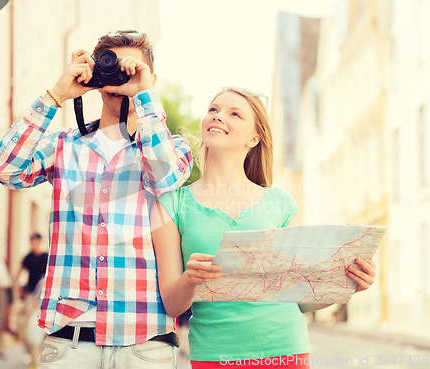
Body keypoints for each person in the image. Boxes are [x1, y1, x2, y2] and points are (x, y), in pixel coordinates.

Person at [0, 30, 192, 368]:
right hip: (69, 344)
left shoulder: (171, 148)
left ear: (151, 79)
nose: (122, 80)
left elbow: (166, 176)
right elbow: (4, 168)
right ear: (98, 77)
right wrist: (56, 95)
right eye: (114, 70)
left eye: (134, 71)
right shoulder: (63, 146)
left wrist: (144, 96)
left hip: (145, 346)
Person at [150, 87, 377, 368]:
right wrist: (190, 278)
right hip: (215, 355)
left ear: (254, 138)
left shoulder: (280, 203)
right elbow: (173, 305)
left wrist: (347, 285)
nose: (218, 116)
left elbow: (300, 299)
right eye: (213, 109)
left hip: (286, 350)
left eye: (234, 114)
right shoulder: (171, 205)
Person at [15, 232, 48, 365]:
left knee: (41, 328)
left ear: (39, 242)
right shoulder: (28, 257)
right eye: (32, 241)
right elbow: (17, 274)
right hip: (30, 297)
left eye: (36, 241)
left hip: (42, 297)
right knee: (27, 326)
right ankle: (30, 354)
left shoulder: (46, 257)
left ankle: (41, 354)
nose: (34, 244)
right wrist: (19, 290)